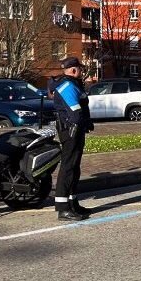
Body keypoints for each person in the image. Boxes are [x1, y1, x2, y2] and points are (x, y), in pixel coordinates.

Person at [48, 57, 95, 221]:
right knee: (68, 167)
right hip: (70, 131)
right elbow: (75, 111)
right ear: (74, 70)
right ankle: (63, 208)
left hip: (75, 129)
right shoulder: (67, 85)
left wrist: (86, 122)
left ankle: (73, 203)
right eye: (80, 68)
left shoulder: (73, 84)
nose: (82, 71)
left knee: (74, 167)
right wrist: (80, 122)